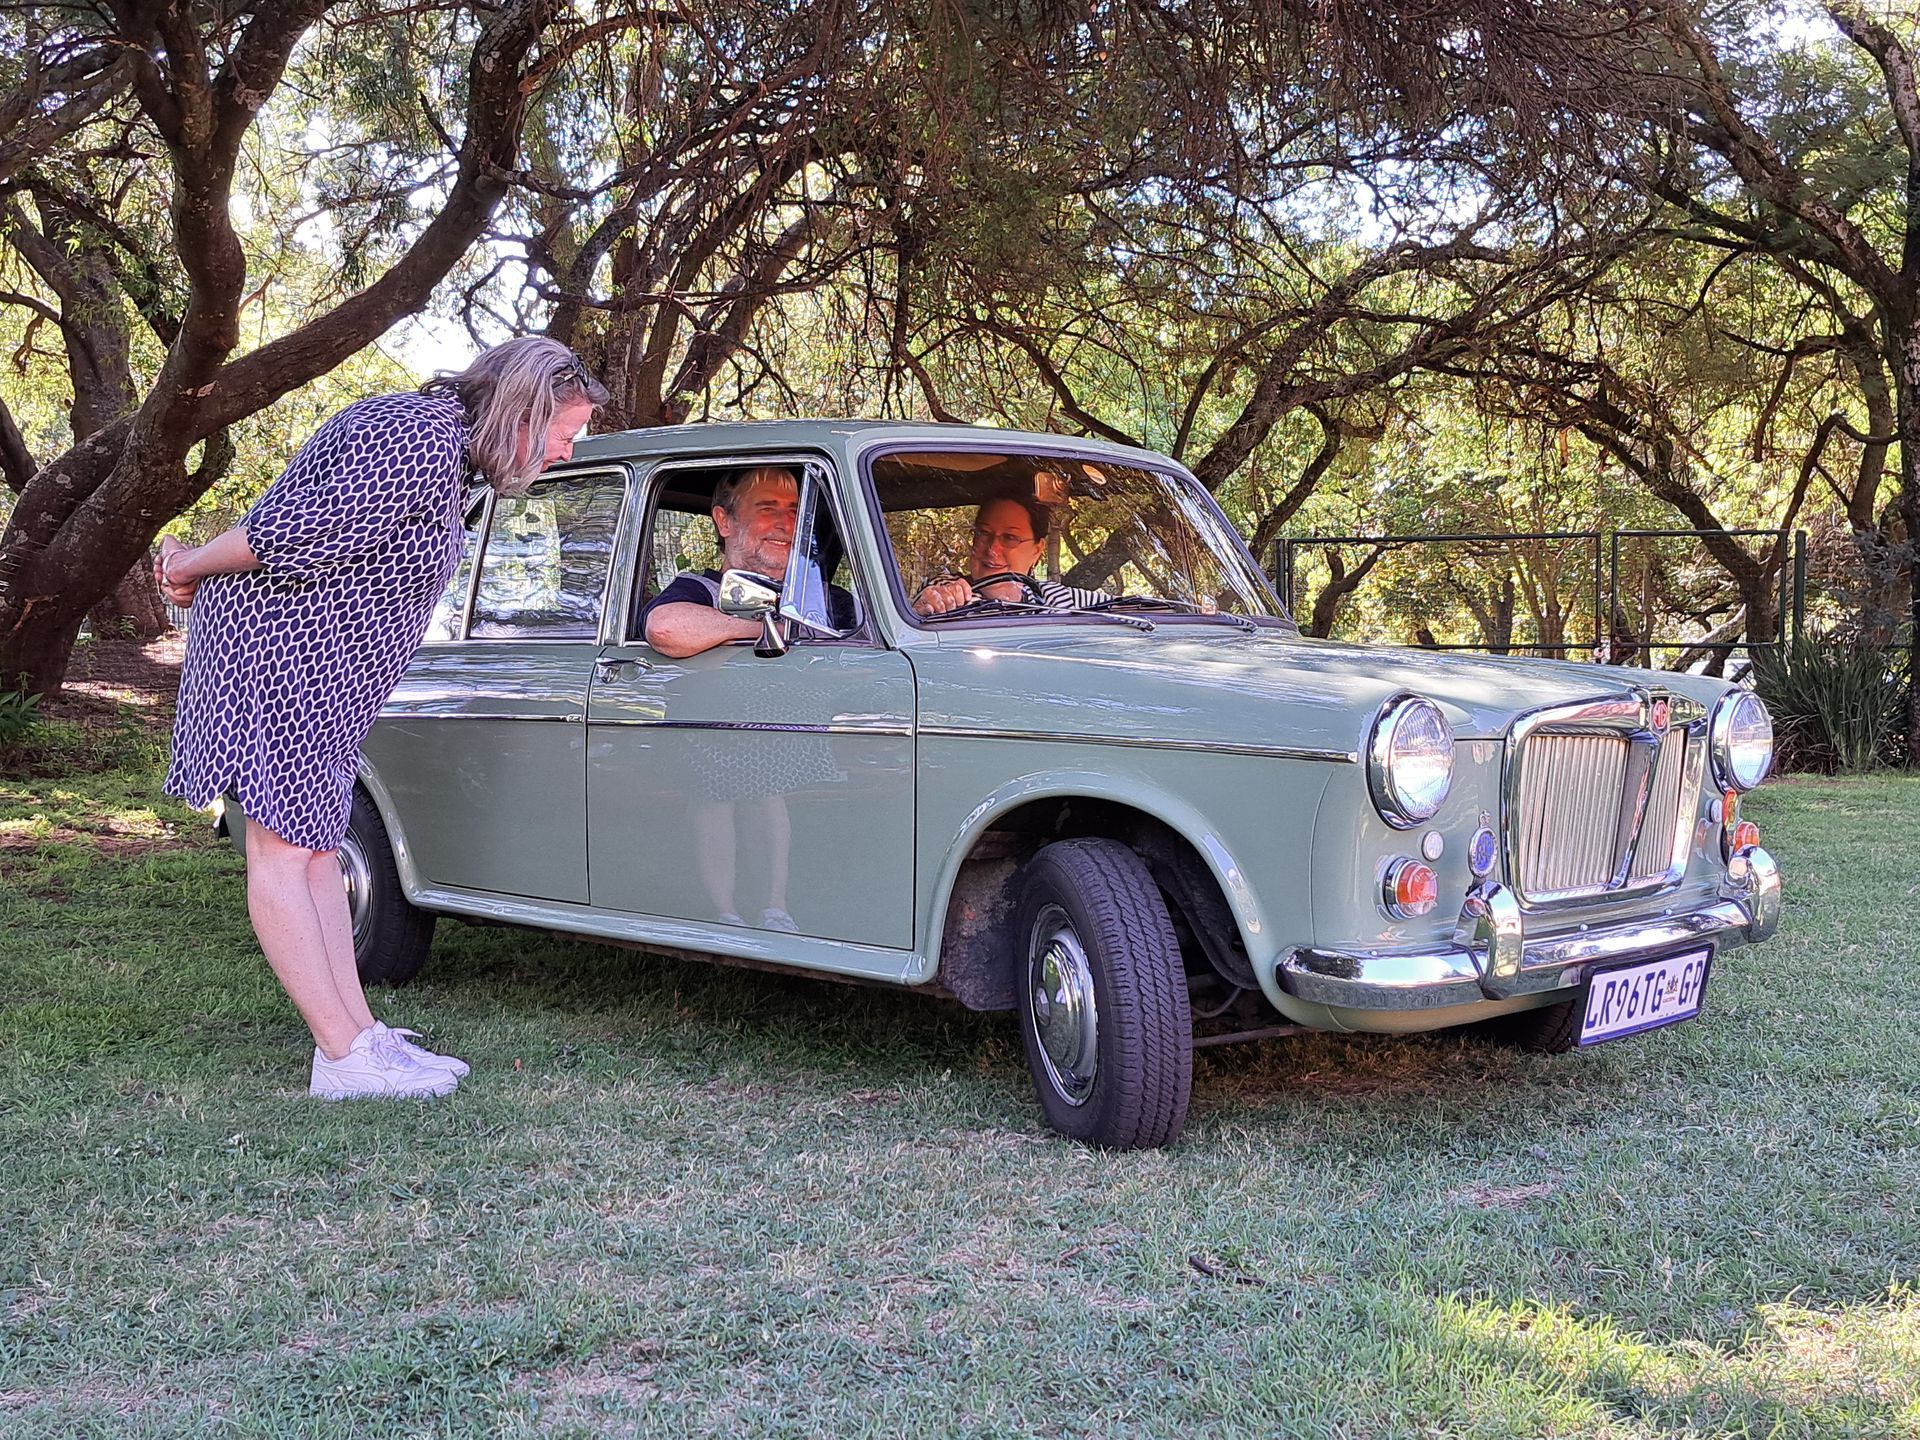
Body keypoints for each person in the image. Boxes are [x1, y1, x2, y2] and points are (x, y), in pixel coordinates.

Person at [157, 337, 608, 1100]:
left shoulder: (447, 452)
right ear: (522, 411)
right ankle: (341, 1058)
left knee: (317, 852)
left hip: (323, 678)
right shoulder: (418, 435)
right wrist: (188, 566)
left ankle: (358, 1035)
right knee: (284, 855)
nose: (566, 451)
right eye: (565, 433)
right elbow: (293, 532)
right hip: (280, 660)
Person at [641, 466, 855, 658]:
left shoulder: (828, 598)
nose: (787, 525)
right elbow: (664, 628)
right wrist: (777, 630)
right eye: (768, 509)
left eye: (794, 511)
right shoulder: (700, 591)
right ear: (724, 522)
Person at [913, 493, 1109, 616]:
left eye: (1010, 537)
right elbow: (934, 597)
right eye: (984, 533)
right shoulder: (954, 594)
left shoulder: (1054, 597)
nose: (992, 549)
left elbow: (1122, 608)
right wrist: (929, 605)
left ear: (1037, 549)